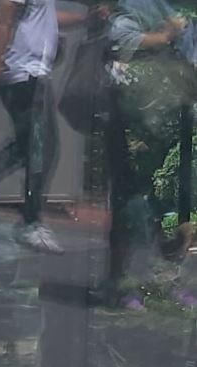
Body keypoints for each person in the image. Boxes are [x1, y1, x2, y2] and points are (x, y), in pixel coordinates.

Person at [0, 0, 103, 253]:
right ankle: (31, 222)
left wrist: (84, 20)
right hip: (23, 73)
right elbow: (4, 15)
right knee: (43, 147)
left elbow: (46, 17)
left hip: (30, 74)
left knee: (30, 145)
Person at [106, 0, 197, 305]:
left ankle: (169, 281)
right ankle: (127, 285)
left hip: (176, 115)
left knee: (171, 204)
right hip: (140, 116)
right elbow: (119, 40)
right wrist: (165, 36)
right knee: (136, 202)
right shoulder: (137, 6)